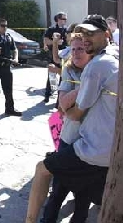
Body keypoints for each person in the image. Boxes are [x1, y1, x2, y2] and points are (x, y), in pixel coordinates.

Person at [26, 15, 119, 223]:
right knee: (67, 195)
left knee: (43, 171)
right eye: (83, 33)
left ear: (106, 35)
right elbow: (62, 97)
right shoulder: (111, 57)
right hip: (103, 148)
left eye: (91, 34)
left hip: (92, 149)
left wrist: (68, 109)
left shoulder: (96, 66)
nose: (85, 40)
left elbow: (73, 113)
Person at [41, 34, 93, 223]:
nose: (77, 53)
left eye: (81, 49)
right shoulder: (69, 71)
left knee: (82, 201)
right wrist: (87, 85)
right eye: (74, 49)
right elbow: (64, 104)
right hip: (69, 140)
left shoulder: (100, 70)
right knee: (57, 193)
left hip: (90, 146)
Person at [43, 12, 68, 102]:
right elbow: (46, 40)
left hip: (64, 56)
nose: (65, 21)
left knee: (63, 76)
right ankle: (48, 94)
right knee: (52, 75)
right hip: (53, 54)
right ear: (58, 19)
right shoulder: (51, 29)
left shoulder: (67, 30)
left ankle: (59, 98)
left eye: (66, 19)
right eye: (63, 19)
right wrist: (55, 42)